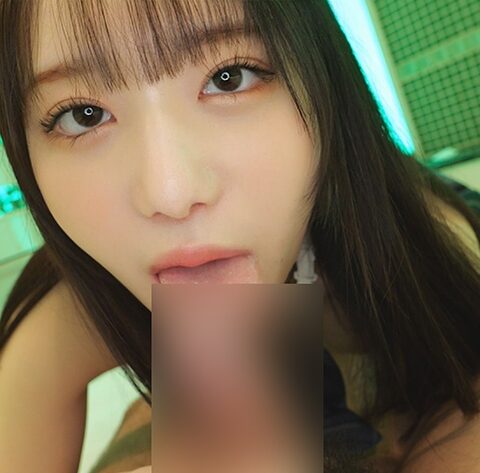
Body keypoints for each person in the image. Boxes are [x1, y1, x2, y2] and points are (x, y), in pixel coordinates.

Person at [0, 0, 479, 472]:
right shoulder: (70, 310)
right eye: (83, 114)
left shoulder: (428, 247)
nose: (171, 193)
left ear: (322, 80)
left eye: (229, 77)